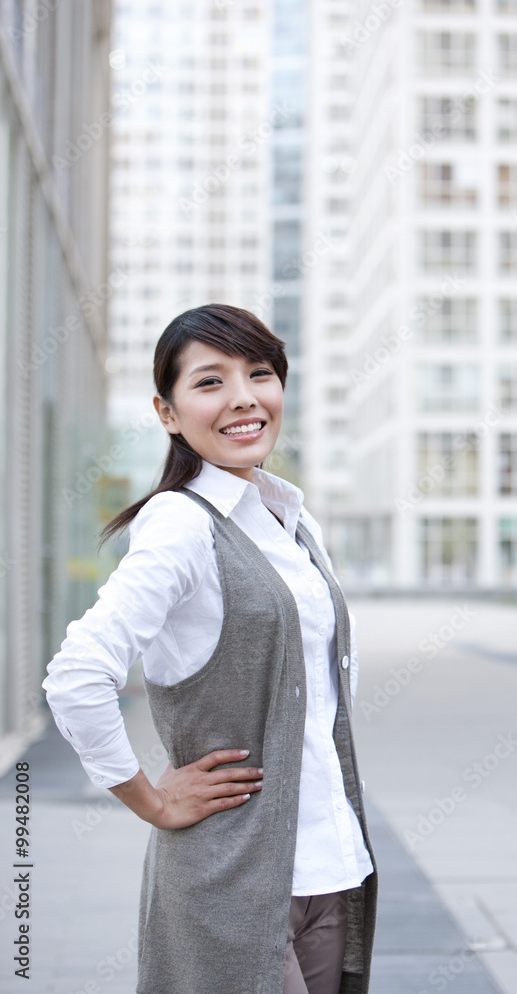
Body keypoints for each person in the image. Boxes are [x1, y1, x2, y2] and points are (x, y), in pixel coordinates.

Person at [43, 304, 377, 994]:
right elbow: (77, 676)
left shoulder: (290, 518)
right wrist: (152, 802)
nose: (243, 398)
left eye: (259, 373)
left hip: (329, 867)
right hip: (231, 878)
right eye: (210, 382)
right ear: (167, 413)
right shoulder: (180, 524)